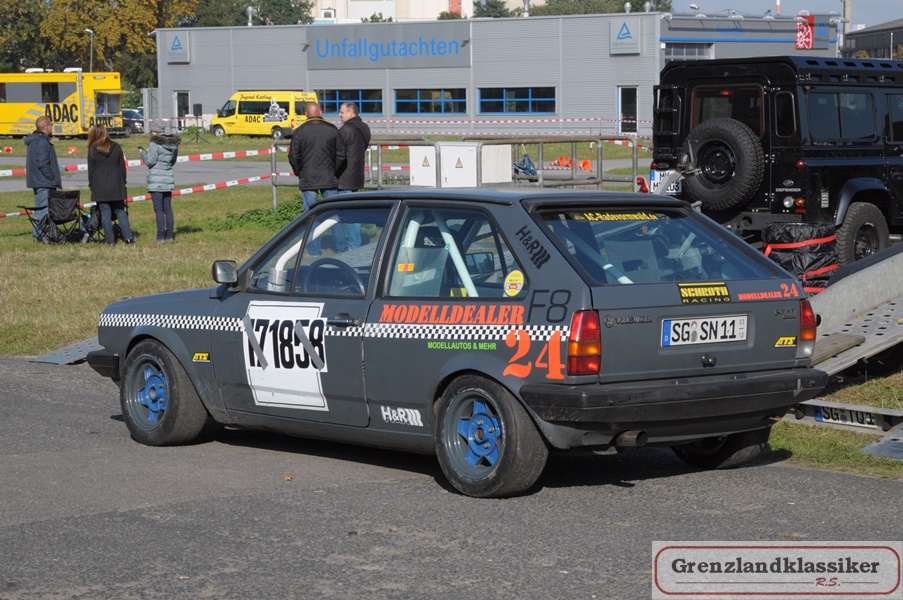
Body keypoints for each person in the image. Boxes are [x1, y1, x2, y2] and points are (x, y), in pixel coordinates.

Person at [288, 102, 346, 255]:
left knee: (311, 215)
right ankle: (341, 248)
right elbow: (341, 155)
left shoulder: (299, 131)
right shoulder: (332, 129)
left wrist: (299, 172)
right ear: (320, 113)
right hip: (328, 176)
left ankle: (314, 250)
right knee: (333, 214)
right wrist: (334, 170)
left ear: (306, 114)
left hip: (308, 178)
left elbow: (293, 156)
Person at [87, 125, 135, 246]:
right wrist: (122, 182)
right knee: (120, 211)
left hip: (99, 184)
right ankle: (129, 238)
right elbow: (122, 167)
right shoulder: (116, 146)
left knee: (105, 213)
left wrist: (92, 185)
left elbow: (91, 170)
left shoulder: (92, 150)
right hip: (116, 182)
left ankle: (110, 241)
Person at [333, 102, 371, 252]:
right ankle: (355, 244)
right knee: (353, 213)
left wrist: (332, 171)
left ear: (350, 112)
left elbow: (339, 154)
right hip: (356, 175)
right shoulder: (365, 128)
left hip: (344, 177)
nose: (339, 115)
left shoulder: (345, 130)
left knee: (343, 215)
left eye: (341, 112)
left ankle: (347, 247)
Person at [139, 123, 181, 243]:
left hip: (156, 181)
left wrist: (143, 153)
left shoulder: (154, 143)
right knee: (168, 208)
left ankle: (160, 236)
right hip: (168, 179)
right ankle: (170, 236)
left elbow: (150, 162)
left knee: (158, 210)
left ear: (155, 132)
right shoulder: (173, 144)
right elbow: (172, 161)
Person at [24, 116, 61, 242]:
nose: (52, 127)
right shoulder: (41, 141)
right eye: (51, 125)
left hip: (39, 181)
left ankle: (40, 235)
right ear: (46, 127)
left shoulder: (35, 140)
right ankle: (40, 236)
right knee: (43, 209)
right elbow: (42, 163)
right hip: (44, 182)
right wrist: (51, 176)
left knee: (41, 208)